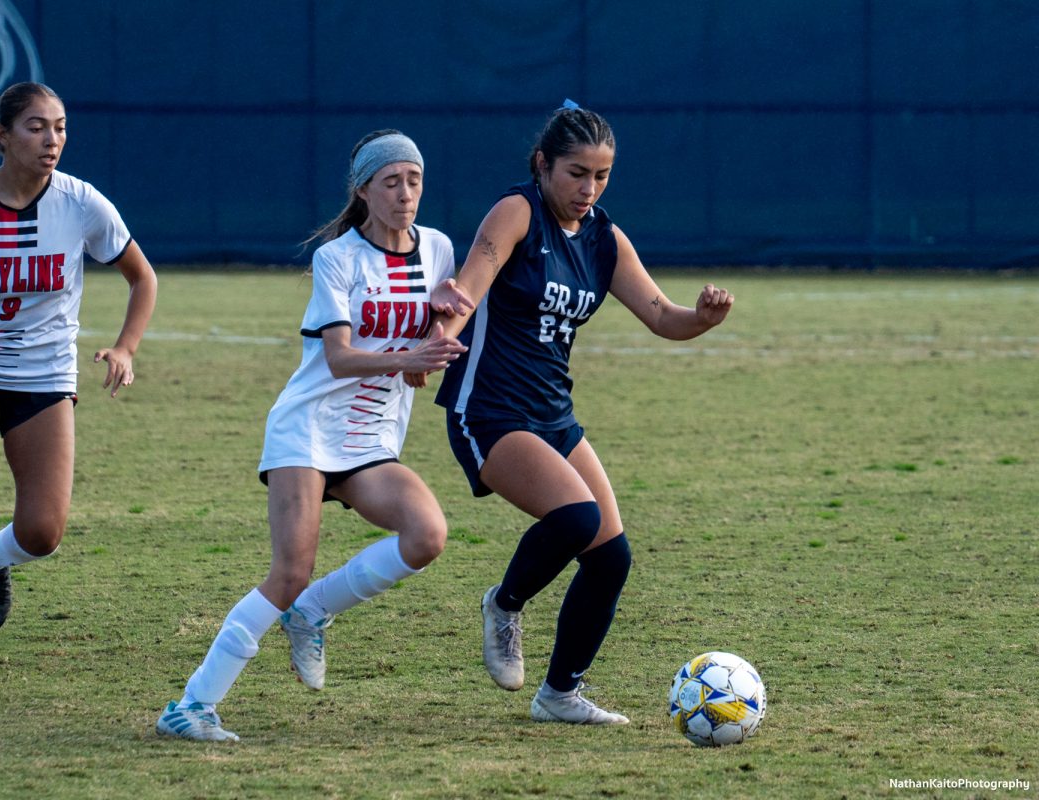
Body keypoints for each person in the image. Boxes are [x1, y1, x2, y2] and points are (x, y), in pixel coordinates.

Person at [156, 130, 473, 742]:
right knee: (289, 571)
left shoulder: (436, 249)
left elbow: (422, 350)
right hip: (307, 428)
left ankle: (317, 609)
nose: (406, 194)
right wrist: (409, 359)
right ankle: (190, 706)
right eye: (391, 182)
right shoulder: (338, 258)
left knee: (428, 534)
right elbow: (338, 357)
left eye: (415, 180)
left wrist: (435, 325)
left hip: (371, 439)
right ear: (363, 190)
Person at [427, 100, 734, 725]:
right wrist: (441, 335)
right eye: (575, 172)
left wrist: (699, 320)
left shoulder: (603, 240)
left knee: (610, 555)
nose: (588, 188)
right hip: (488, 409)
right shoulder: (517, 212)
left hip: (553, 413)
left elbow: (660, 315)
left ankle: (559, 694)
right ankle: (504, 604)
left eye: (601, 175)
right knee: (575, 518)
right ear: (543, 165)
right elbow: (472, 282)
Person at [0, 82, 158, 694]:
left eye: (61, 127)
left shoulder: (82, 203)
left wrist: (125, 347)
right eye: (37, 127)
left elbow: (142, 278)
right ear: (2, 135)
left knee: (43, 533)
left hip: (44, 379)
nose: (53, 141)